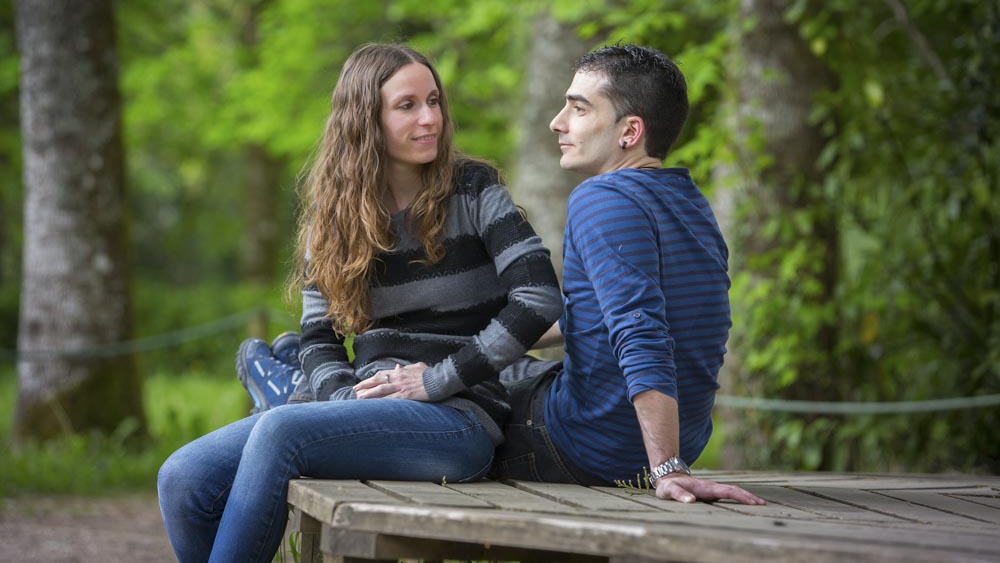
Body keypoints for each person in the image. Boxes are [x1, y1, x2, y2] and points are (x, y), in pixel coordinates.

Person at [157, 43, 563, 563]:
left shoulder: (474, 189)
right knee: (183, 477)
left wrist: (437, 379)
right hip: (361, 406)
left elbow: (538, 297)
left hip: (456, 418)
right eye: (407, 106)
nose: (430, 119)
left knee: (280, 429)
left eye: (433, 101)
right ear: (365, 120)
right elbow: (318, 336)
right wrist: (343, 400)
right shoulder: (334, 214)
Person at [490, 43, 763, 505]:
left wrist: (667, 468)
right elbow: (602, 316)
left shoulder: (601, 198)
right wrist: (477, 341)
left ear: (630, 131)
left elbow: (640, 329)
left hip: (586, 446)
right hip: (657, 440)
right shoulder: (689, 203)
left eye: (579, 109)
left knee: (436, 388)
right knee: (480, 362)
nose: (558, 122)